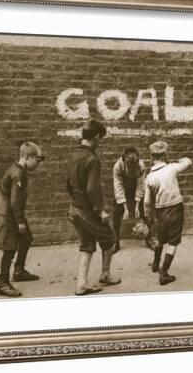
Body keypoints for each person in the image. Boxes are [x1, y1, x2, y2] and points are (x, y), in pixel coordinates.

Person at [66, 120, 121, 296]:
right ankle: (105, 274)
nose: (100, 142)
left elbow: (68, 184)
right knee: (111, 240)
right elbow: (92, 188)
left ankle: (81, 284)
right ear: (97, 137)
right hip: (88, 211)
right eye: (101, 139)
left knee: (87, 245)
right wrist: (100, 210)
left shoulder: (74, 154)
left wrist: (75, 201)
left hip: (75, 209)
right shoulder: (92, 159)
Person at [0, 141, 45, 297]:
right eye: (36, 160)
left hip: (12, 214)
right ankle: (3, 283)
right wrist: (20, 222)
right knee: (9, 248)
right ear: (27, 157)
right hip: (8, 216)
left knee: (26, 238)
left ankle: (19, 270)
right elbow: (15, 201)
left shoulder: (18, 170)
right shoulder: (18, 173)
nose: (37, 164)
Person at [144, 141, 193, 285]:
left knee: (160, 239)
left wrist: (148, 216)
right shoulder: (172, 168)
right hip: (176, 209)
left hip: (161, 212)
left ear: (151, 156)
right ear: (165, 154)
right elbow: (188, 161)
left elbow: (147, 201)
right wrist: (178, 160)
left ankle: (155, 263)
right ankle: (164, 273)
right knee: (173, 242)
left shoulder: (149, 177)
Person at [112, 147, 154, 251]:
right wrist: (125, 208)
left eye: (133, 165)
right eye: (129, 165)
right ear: (123, 159)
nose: (131, 168)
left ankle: (149, 239)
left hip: (136, 188)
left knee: (145, 211)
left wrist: (137, 205)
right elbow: (118, 186)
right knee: (116, 213)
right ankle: (115, 242)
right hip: (123, 190)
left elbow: (141, 184)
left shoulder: (140, 166)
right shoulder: (117, 166)